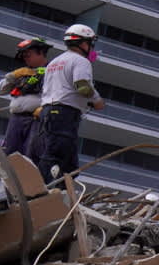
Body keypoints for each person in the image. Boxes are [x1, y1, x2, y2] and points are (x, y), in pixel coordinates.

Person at [33, 26, 105, 183]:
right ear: (83, 43)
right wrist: (97, 101)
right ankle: (46, 193)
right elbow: (83, 86)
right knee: (55, 156)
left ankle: (63, 192)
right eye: (90, 43)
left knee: (69, 162)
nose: (91, 48)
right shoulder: (81, 61)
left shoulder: (54, 62)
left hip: (49, 111)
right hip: (64, 114)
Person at [0, 38, 51, 160]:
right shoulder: (23, 73)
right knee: (10, 151)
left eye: (28, 55)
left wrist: (45, 109)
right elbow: (0, 91)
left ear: (40, 52)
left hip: (35, 119)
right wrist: (13, 76)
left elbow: (58, 95)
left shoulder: (51, 72)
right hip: (16, 118)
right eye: (24, 56)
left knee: (30, 152)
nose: (26, 58)